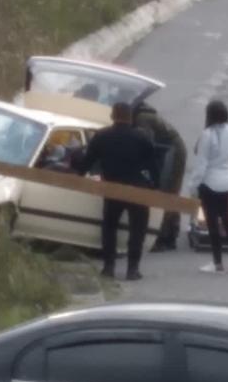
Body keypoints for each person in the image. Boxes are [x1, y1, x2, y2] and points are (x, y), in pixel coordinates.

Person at [71, 102, 158, 281]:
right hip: (137, 188)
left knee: (109, 228)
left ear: (112, 116)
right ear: (131, 117)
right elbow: (154, 166)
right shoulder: (142, 138)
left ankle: (108, 267)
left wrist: (77, 172)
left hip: (112, 187)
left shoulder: (101, 136)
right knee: (137, 230)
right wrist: (154, 186)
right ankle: (132, 269)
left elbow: (87, 162)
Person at [188, 100, 228, 274]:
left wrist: (193, 186)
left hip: (210, 184)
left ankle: (217, 263)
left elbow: (201, 164)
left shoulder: (207, 134)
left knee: (212, 225)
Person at [133, 101, 188, 253]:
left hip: (173, 151)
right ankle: (171, 234)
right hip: (171, 148)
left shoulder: (142, 118)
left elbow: (146, 142)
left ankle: (163, 237)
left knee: (168, 192)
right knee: (172, 192)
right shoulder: (147, 114)